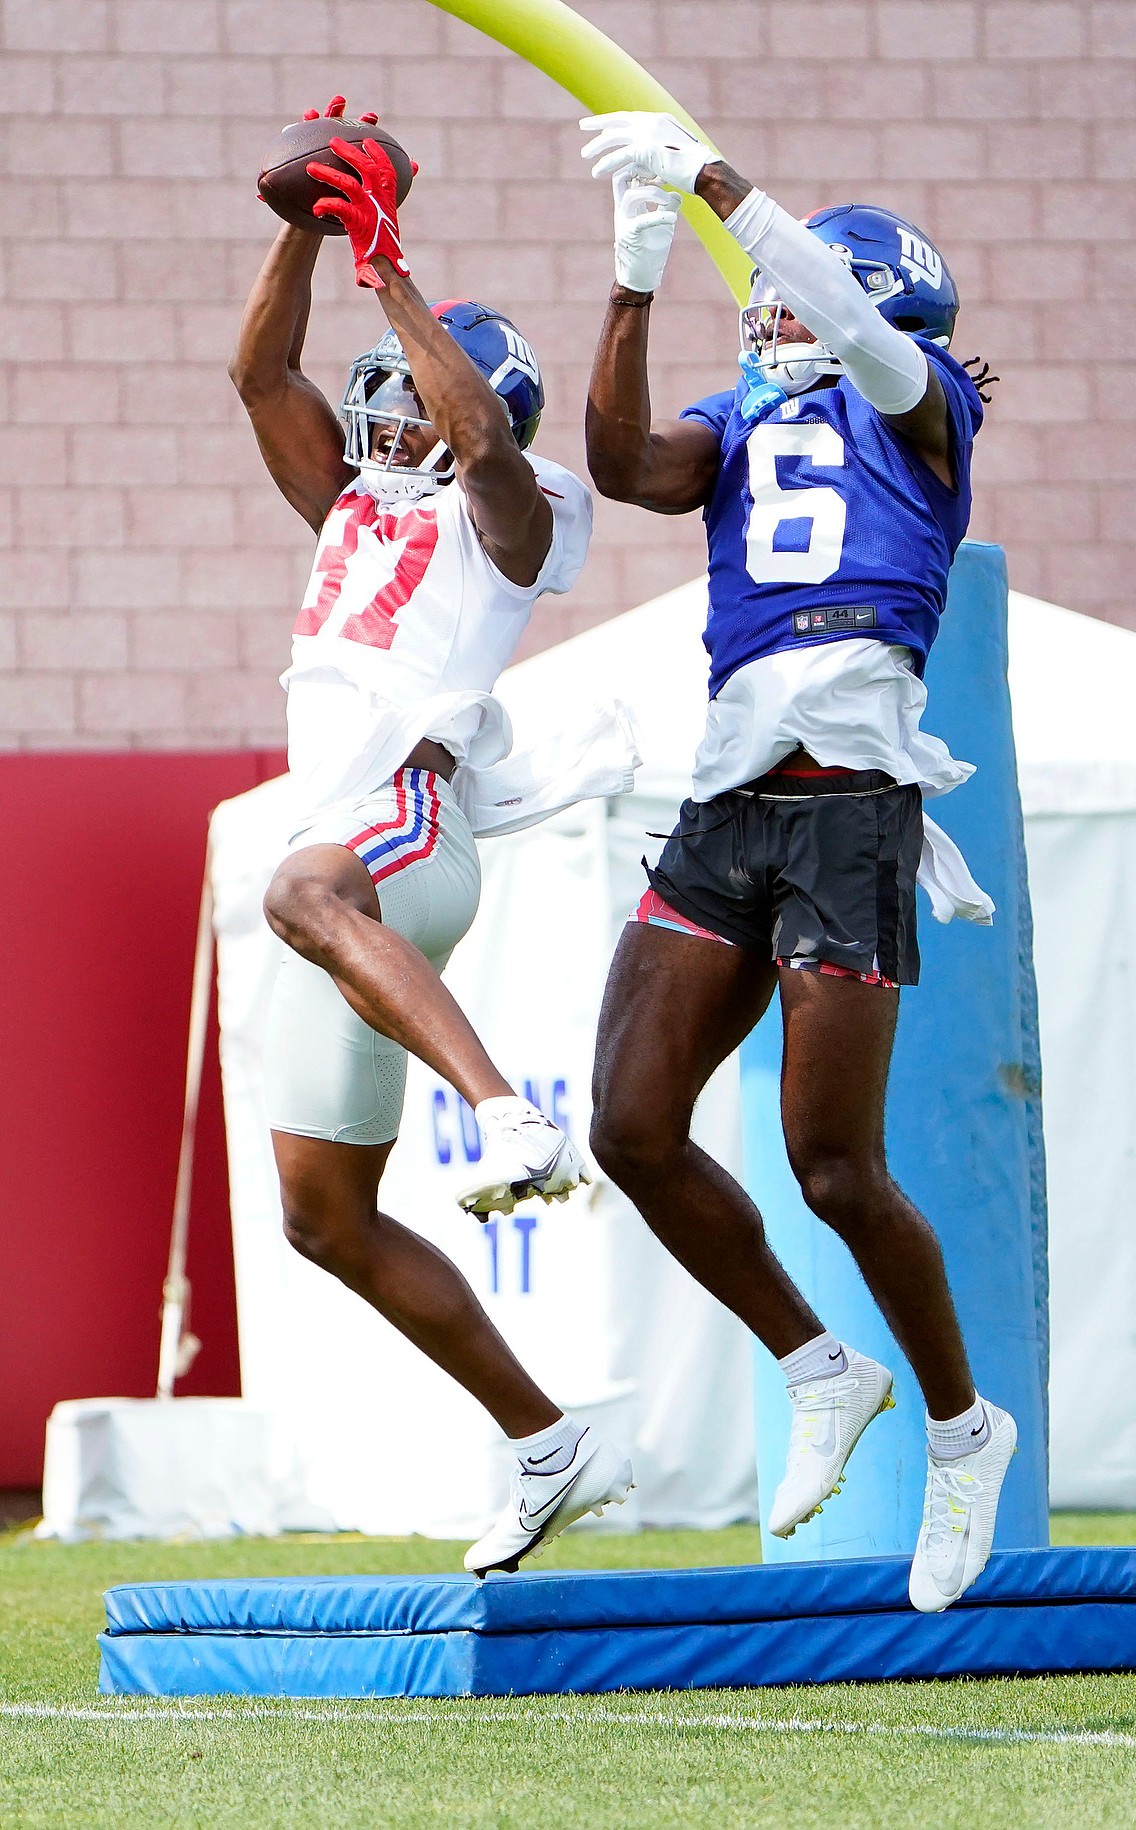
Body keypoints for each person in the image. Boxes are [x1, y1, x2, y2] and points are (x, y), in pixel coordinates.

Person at [577, 111, 1014, 1612]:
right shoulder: (746, 417)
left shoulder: (925, 402)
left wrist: (710, 180)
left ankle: (964, 1427)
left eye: (793, 293)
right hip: (730, 797)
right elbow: (624, 461)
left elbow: (841, 314)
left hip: (852, 802)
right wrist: (633, 276)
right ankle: (820, 1366)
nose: (765, 315)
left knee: (837, 1164)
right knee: (629, 1124)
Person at [229, 97, 632, 1575]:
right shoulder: (345, 502)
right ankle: (547, 1437)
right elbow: (259, 369)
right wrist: (304, 231)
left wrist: (395, 270)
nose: (392, 407)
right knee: (323, 1217)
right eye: (382, 383)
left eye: (415, 386)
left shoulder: (505, 515)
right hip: (338, 865)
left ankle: (509, 1112)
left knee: (301, 882)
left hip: (410, 818)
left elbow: (480, 445)